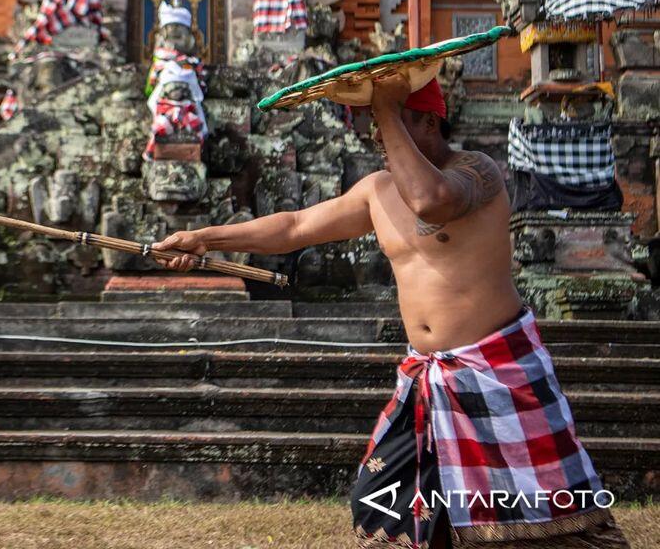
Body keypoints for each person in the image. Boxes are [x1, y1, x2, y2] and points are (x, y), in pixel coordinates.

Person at [153, 75, 628, 549]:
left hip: (498, 370)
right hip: (426, 379)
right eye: (375, 126)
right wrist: (205, 238)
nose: (377, 137)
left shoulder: (477, 173)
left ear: (428, 121)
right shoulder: (377, 190)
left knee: (550, 523)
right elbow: (295, 226)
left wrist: (384, 103)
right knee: (384, 505)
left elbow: (431, 201)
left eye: (389, 124)